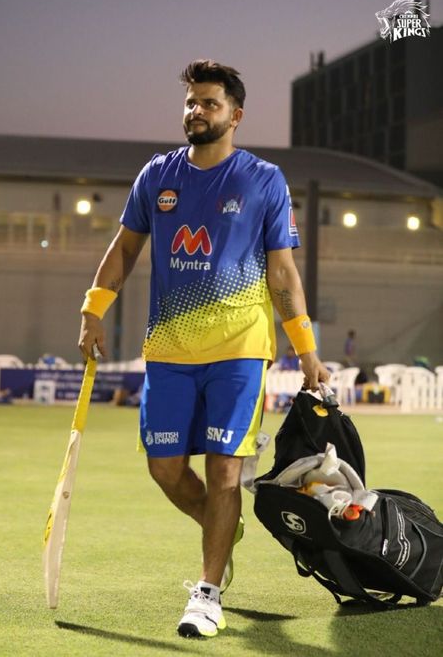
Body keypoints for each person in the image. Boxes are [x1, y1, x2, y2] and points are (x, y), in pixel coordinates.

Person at [78, 59, 330, 639]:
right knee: (165, 469)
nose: (196, 111)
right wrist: (93, 309)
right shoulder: (157, 175)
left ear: (235, 115)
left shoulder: (263, 179)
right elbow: (123, 250)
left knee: (224, 474)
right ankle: (224, 528)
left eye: (209, 103)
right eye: (191, 102)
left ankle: (208, 591)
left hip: (240, 352)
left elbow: (283, 275)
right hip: (168, 350)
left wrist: (306, 350)